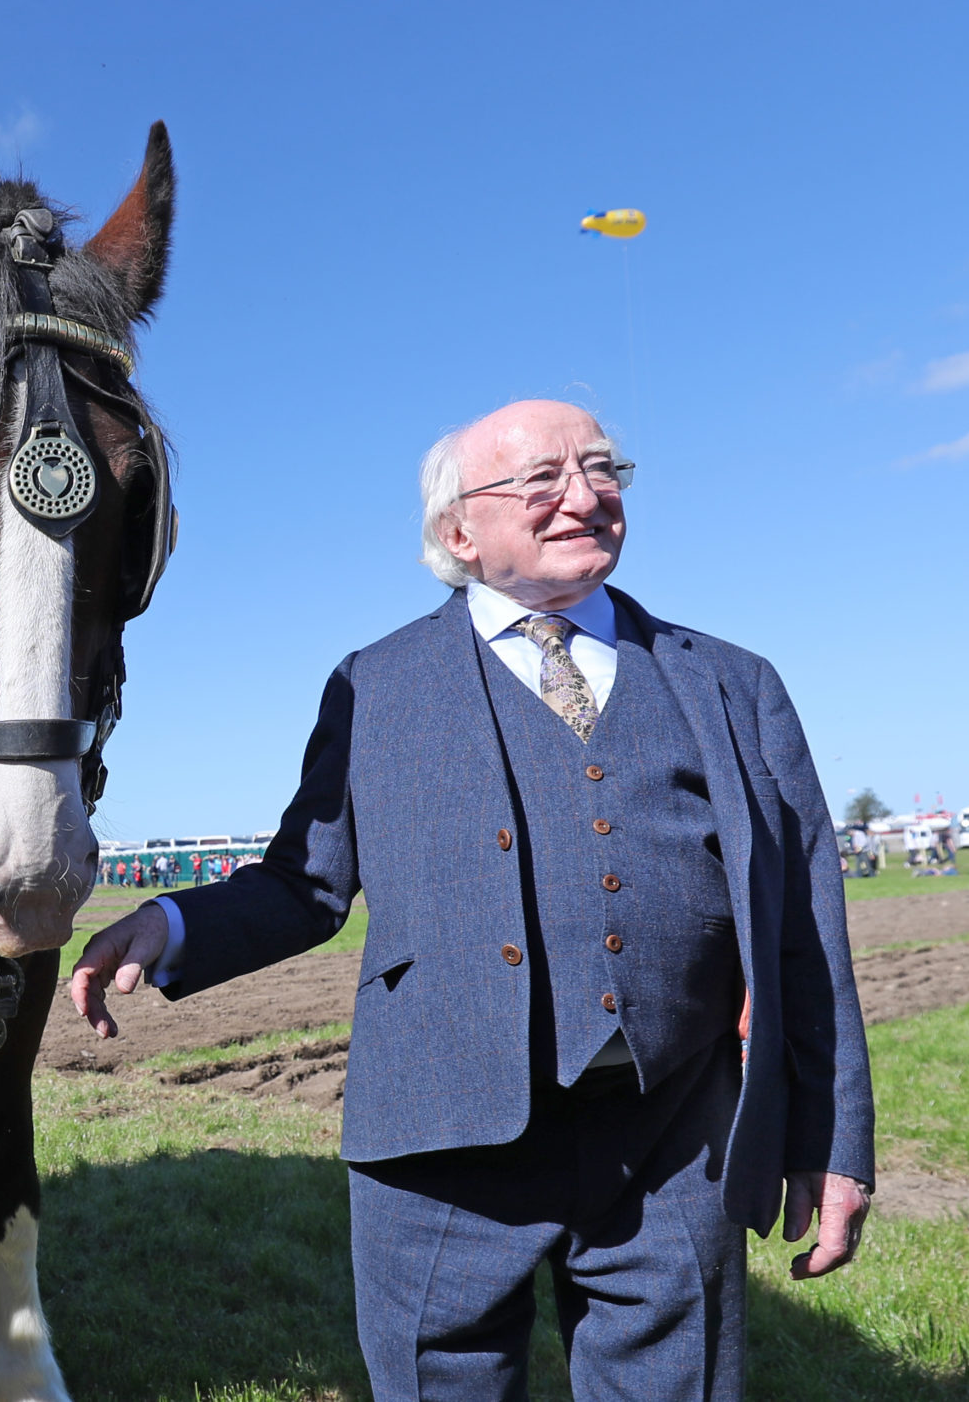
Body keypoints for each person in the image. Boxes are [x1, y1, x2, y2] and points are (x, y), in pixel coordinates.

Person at [72, 401, 873, 1401]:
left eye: (600, 466)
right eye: (541, 477)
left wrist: (829, 1146)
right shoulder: (372, 684)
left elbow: (804, 934)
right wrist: (169, 921)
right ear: (457, 530)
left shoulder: (731, 683)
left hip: (674, 1145)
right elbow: (305, 883)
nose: (584, 493)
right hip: (437, 1155)